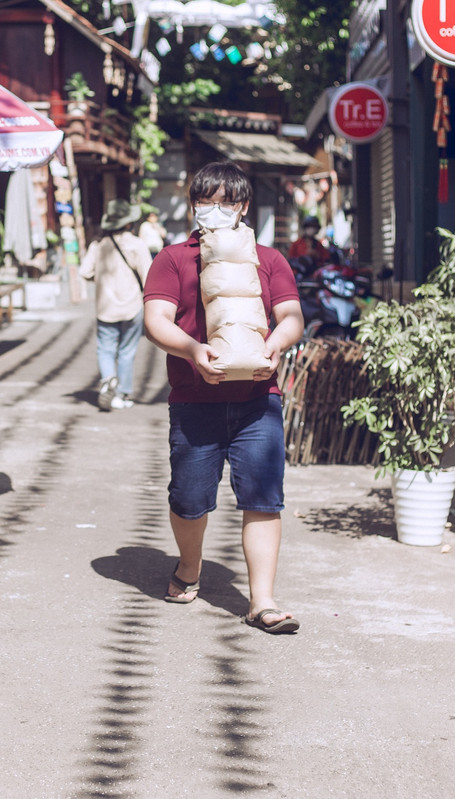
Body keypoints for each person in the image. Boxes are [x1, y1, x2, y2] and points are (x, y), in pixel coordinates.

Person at [142, 162, 305, 634]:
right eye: (207, 201)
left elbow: (290, 315)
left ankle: (263, 601)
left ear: (244, 208)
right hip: (195, 400)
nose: (217, 210)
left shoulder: (269, 260)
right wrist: (193, 351)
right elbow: (157, 319)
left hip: (259, 399)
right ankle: (189, 568)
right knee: (190, 498)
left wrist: (274, 345)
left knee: (263, 499)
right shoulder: (173, 259)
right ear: (194, 206)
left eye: (227, 202)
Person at [80, 199, 153, 411]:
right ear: (129, 223)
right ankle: (122, 394)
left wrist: (100, 279)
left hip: (105, 307)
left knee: (105, 349)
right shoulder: (138, 245)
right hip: (132, 306)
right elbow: (148, 277)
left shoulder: (98, 246)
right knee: (127, 351)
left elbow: (85, 272)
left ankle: (107, 381)